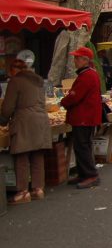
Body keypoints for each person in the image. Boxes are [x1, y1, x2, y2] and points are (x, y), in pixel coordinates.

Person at [0, 59, 52, 204]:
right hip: (41, 121)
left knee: (21, 157)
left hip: (24, 122)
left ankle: (23, 192)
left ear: (14, 70)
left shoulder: (16, 81)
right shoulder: (38, 81)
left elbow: (8, 107)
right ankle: (38, 189)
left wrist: (3, 120)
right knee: (37, 155)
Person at [60, 47, 103, 189]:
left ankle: (91, 175)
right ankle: (83, 173)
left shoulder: (87, 76)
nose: (75, 60)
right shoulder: (89, 73)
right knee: (81, 146)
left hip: (84, 116)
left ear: (85, 60)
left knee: (82, 146)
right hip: (86, 116)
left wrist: (63, 102)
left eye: (77, 58)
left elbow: (75, 96)